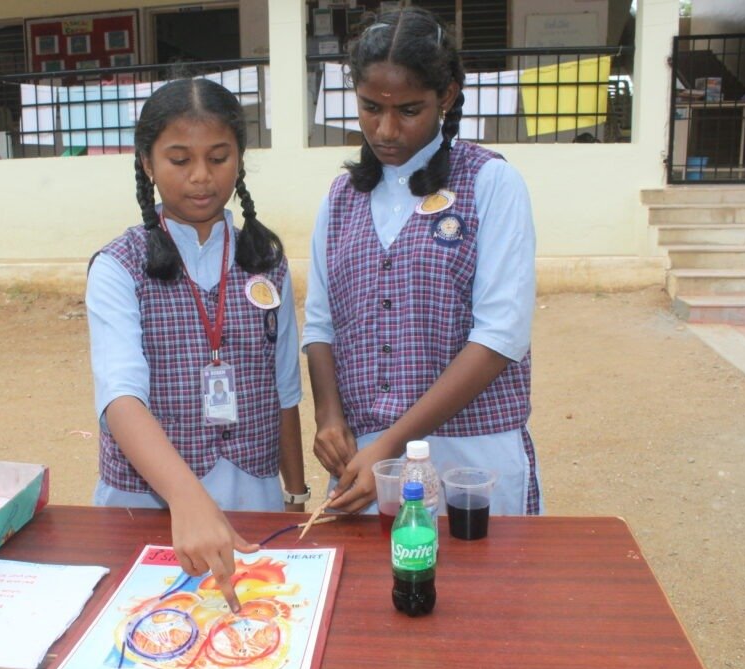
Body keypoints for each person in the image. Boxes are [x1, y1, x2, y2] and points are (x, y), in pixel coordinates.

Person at [302, 7, 542, 517]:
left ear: (446, 96)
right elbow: (321, 324)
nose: (386, 129)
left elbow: (500, 336)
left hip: (472, 460)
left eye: (409, 110)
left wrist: (392, 444)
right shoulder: (340, 198)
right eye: (370, 108)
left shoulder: (489, 183)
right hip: (367, 460)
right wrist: (329, 417)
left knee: (482, 571)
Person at [87, 78, 307, 610]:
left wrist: (295, 496)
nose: (202, 176)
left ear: (240, 159)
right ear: (147, 162)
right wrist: (186, 498)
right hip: (147, 504)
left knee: (253, 624)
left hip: (253, 497)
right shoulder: (118, 267)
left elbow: (285, 390)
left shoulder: (266, 260)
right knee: (154, 627)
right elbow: (121, 398)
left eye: (219, 157)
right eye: (180, 159)